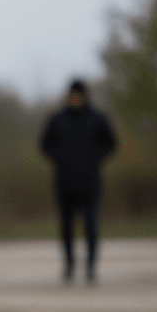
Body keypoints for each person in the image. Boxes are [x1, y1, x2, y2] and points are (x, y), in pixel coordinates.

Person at [39, 79, 116, 283]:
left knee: (91, 225)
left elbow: (111, 143)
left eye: (78, 95)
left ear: (84, 96)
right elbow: (44, 144)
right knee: (66, 227)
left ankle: (91, 266)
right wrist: (60, 158)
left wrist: (95, 157)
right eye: (72, 94)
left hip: (90, 182)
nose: (75, 98)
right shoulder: (58, 119)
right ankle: (69, 265)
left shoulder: (97, 118)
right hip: (64, 182)